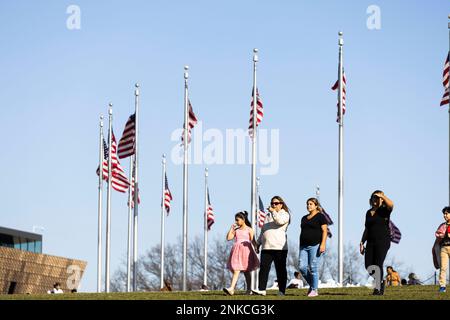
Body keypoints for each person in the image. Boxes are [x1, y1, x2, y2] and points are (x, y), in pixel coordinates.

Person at [252, 196, 291, 296]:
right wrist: (258, 243)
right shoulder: (268, 215)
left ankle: (281, 291)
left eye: (276, 203)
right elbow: (263, 230)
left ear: (281, 204)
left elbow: (279, 222)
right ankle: (262, 289)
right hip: (266, 247)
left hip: (279, 248)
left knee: (280, 269)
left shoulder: (285, 214)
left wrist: (273, 212)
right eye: (272, 203)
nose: (273, 205)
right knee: (264, 268)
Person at [360, 190, 394, 295]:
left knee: (378, 264)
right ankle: (381, 281)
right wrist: (362, 242)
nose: (375, 199)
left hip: (383, 241)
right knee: (369, 265)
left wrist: (383, 196)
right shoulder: (368, 212)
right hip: (370, 241)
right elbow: (367, 229)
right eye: (374, 197)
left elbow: (391, 205)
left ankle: (378, 288)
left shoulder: (384, 210)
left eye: (377, 198)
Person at [223, 211, 259, 296]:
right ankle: (231, 288)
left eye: (237, 220)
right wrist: (231, 229)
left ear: (243, 220)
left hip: (246, 252)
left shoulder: (249, 229)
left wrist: (256, 248)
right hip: (237, 252)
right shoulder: (236, 230)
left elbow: (253, 241)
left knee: (247, 272)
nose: (236, 222)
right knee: (236, 269)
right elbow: (228, 238)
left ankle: (249, 290)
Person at [298, 197, 328, 297]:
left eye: (311, 204)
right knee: (302, 267)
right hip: (303, 246)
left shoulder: (320, 216)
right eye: (307, 204)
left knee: (313, 268)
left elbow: (325, 231)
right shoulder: (303, 218)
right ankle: (312, 285)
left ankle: (314, 290)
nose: (308, 206)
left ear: (316, 205)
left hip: (315, 246)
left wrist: (323, 244)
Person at [434, 206, 450, 293]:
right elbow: (437, 233)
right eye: (444, 214)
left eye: (447, 213)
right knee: (443, 268)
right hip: (444, 248)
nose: (445, 215)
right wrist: (442, 235)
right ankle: (442, 286)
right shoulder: (442, 225)